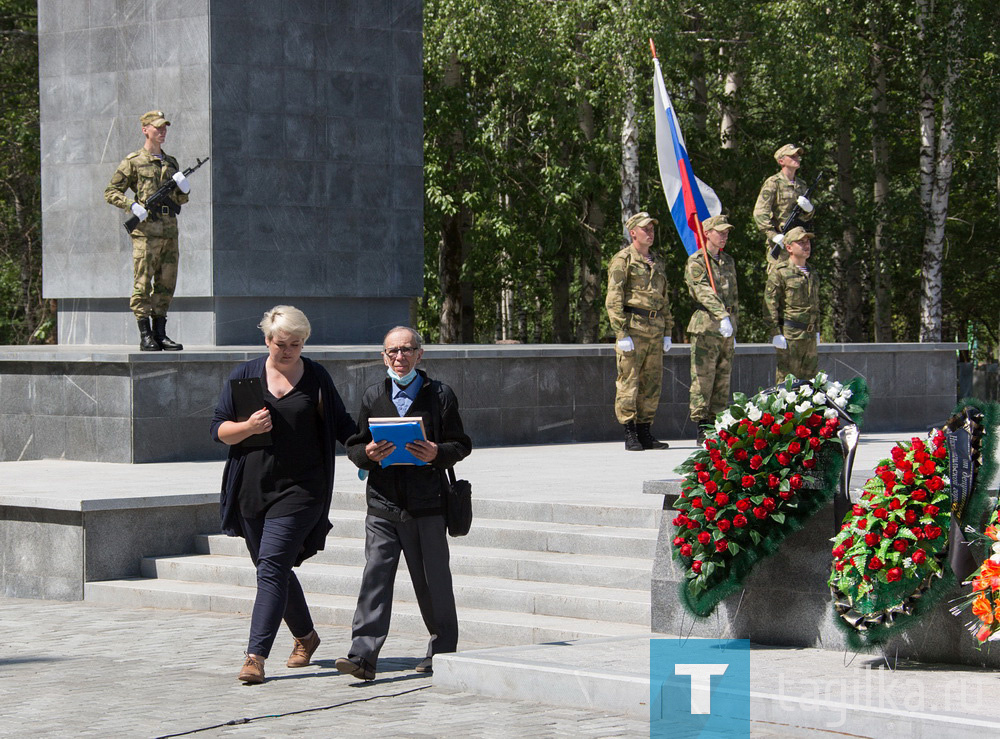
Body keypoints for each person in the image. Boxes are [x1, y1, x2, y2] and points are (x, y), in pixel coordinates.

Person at [210, 306, 357, 684]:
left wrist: (371, 450)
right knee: (271, 568)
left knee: (272, 567)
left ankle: (255, 657)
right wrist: (247, 426)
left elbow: (343, 426)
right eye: (281, 344)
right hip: (252, 489)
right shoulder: (245, 374)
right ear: (266, 340)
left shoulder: (317, 377)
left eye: (297, 344)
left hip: (303, 489)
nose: (289, 350)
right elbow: (219, 430)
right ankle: (306, 637)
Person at [336, 326, 472, 681]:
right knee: (375, 576)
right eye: (392, 352)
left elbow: (461, 444)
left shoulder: (440, 395)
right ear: (384, 356)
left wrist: (436, 453)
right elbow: (355, 444)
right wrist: (364, 453)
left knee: (432, 581)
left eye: (407, 350)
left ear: (420, 354)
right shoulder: (371, 395)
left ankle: (442, 650)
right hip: (383, 503)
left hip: (427, 505)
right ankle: (363, 655)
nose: (399, 358)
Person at [104, 110, 190, 351]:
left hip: (169, 231)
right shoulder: (133, 161)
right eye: (157, 127)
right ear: (145, 129)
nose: (162, 131)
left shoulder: (171, 162)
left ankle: (160, 333)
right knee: (143, 282)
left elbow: (180, 200)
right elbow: (111, 191)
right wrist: (131, 205)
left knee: (166, 282)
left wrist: (184, 188)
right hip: (145, 232)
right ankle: (145, 335)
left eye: (164, 128)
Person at [605, 211, 673, 452]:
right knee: (629, 381)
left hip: (655, 329)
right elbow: (613, 299)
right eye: (645, 228)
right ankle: (630, 431)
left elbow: (663, 299)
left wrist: (668, 330)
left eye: (652, 228)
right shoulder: (623, 260)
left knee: (652, 383)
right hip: (633, 328)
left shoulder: (657, 261)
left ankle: (645, 431)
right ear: (633, 232)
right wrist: (621, 333)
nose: (650, 232)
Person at [685, 215, 739, 444]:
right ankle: (702, 425)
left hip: (726, 327)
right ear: (707, 233)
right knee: (703, 378)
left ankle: (717, 421)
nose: (724, 235)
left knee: (722, 377)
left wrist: (733, 323)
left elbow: (734, 296)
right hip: (707, 325)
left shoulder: (728, 261)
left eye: (727, 231)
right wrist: (722, 316)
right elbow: (702, 291)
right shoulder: (697, 261)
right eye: (720, 231)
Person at [765, 227, 821, 384]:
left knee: (810, 385)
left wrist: (817, 329)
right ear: (789, 247)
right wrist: (775, 332)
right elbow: (770, 305)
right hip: (791, 336)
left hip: (809, 336)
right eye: (800, 242)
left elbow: (815, 304)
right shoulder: (780, 272)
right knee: (787, 385)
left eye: (807, 241)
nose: (806, 245)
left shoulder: (812, 272)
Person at [752, 144, 814, 268]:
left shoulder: (801, 184)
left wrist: (809, 210)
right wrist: (773, 235)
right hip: (780, 239)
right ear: (781, 161)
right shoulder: (773, 183)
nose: (796, 158)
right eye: (792, 156)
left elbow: (806, 217)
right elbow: (759, 212)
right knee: (779, 278)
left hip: (798, 241)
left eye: (797, 156)